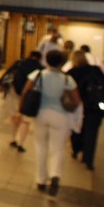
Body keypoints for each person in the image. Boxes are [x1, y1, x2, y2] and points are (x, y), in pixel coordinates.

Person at [20, 48, 80, 197]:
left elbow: (25, 92)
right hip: (60, 117)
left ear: (46, 60)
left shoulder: (38, 75)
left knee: (41, 147)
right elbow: (77, 101)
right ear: (61, 62)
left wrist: (21, 108)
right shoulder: (68, 79)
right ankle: (55, 176)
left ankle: (40, 180)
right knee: (57, 149)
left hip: (40, 114)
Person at [67, 50, 104, 170]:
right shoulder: (96, 70)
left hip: (77, 108)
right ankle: (88, 160)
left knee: (76, 130)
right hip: (94, 108)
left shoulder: (71, 73)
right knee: (91, 133)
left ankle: (76, 150)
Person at [9, 50, 43, 152]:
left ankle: (13, 138)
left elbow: (8, 74)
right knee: (26, 120)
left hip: (14, 92)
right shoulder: (40, 69)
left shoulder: (19, 63)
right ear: (40, 58)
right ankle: (21, 143)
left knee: (15, 116)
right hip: (30, 97)